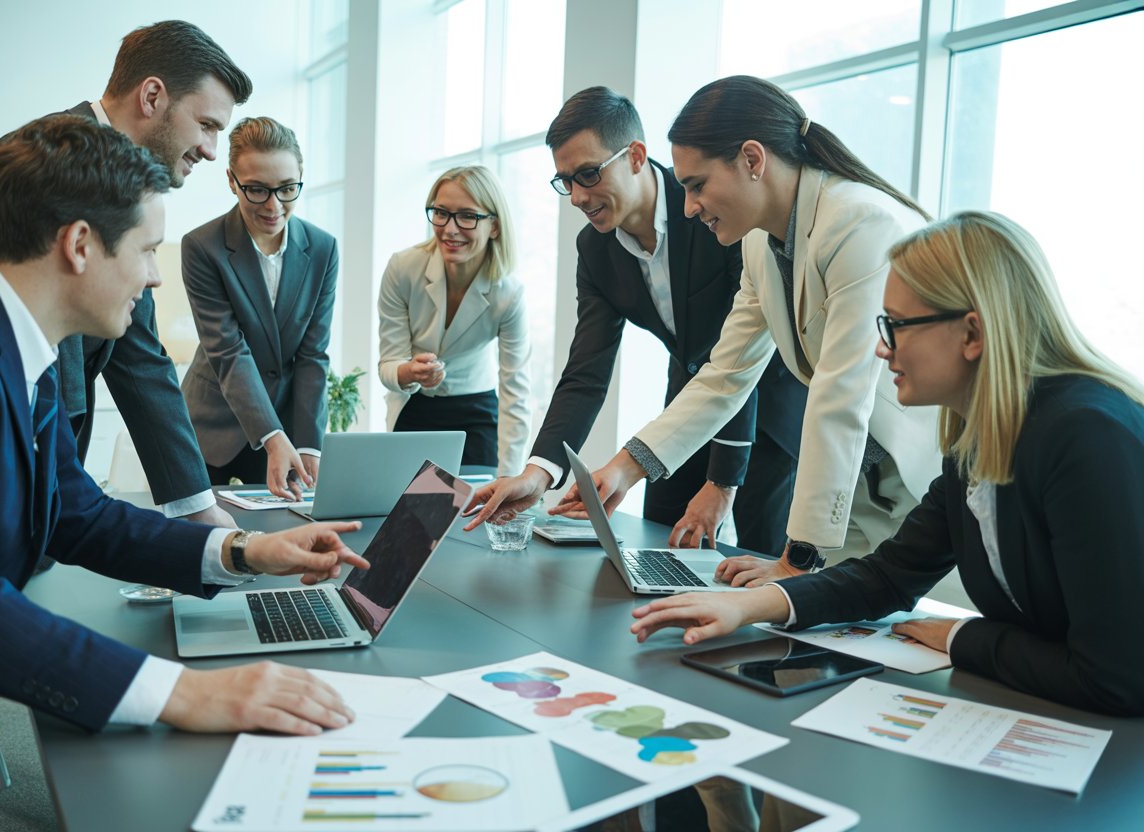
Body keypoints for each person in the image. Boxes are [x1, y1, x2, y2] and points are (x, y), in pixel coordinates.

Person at [0, 116, 369, 831]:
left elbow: (73, 512)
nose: (157, 274)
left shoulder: (14, 344)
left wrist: (243, 551)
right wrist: (185, 695)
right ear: (79, 246)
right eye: (147, 249)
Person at [631, 211, 1144, 717]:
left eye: (896, 326)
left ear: (972, 334)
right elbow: (890, 576)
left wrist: (961, 635)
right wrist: (747, 606)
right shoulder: (977, 439)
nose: (880, 348)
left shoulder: (1088, 436)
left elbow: (1113, 677)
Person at [559, 76, 940, 580]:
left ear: (752, 160)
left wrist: (796, 557)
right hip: (858, 489)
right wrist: (625, 468)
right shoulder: (760, 246)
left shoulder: (859, 222)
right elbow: (725, 375)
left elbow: (840, 393)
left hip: (917, 478)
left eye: (696, 185)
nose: (689, 206)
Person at [0, 19, 254, 529]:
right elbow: (27, 336)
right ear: (152, 95)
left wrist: (200, 512)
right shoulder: (47, 159)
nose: (212, 149)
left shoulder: (128, 190)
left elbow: (141, 358)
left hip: (44, 488)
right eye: (208, 125)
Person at [463, 87, 806, 554]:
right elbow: (586, 371)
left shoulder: (715, 213)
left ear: (637, 157)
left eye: (588, 173)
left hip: (768, 408)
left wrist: (722, 483)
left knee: (761, 561)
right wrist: (537, 473)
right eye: (566, 181)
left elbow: (738, 356)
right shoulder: (595, 249)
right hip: (688, 401)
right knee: (660, 548)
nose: (578, 197)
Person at [181, 116, 337, 501]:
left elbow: (313, 354)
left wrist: (308, 445)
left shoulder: (322, 248)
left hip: (286, 425)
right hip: (212, 424)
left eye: (287, 189)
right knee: (201, 538)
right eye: (256, 190)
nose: (273, 206)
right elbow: (228, 351)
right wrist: (272, 438)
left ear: (301, 175)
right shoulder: (202, 247)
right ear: (232, 180)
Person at [377, 165, 532, 475]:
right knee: (410, 518)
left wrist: (509, 478)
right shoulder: (403, 268)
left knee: (471, 514)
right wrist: (410, 372)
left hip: (475, 413)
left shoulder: (508, 293)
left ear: (495, 226)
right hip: (415, 408)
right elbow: (388, 365)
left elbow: (515, 390)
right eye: (441, 213)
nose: (450, 229)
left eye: (467, 216)